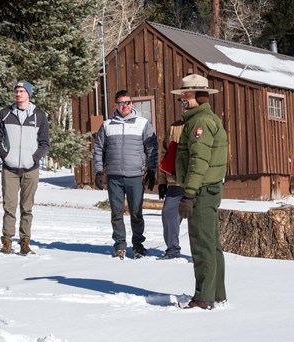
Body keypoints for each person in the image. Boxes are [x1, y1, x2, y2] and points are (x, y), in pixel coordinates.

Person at [172, 74, 228, 310]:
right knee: (211, 243)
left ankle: (204, 298)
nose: (182, 99)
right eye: (182, 95)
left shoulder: (200, 123)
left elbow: (198, 161)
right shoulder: (202, 119)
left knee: (202, 244)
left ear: (199, 96)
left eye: (187, 95)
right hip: (208, 188)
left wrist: (189, 194)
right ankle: (216, 294)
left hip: (202, 190)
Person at [93, 90, 158, 260]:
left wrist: (151, 170)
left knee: (136, 212)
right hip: (114, 175)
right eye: (121, 103)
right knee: (116, 213)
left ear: (132, 104)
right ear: (116, 105)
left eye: (128, 102)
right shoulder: (107, 125)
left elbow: (151, 148)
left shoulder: (143, 124)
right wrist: (99, 171)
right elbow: (99, 149)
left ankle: (138, 246)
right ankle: (120, 245)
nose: (125, 106)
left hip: (135, 175)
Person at [0, 80, 49, 255]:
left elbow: (45, 143)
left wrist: (35, 158)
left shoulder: (39, 116)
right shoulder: (5, 114)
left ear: (29, 94)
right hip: (10, 169)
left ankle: (25, 241)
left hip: (30, 170)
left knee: (27, 207)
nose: (18, 94)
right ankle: (7, 241)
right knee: (9, 206)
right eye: (16, 91)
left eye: (22, 91)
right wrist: (5, 156)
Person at [157, 118, 185, 260]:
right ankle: (173, 250)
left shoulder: (204, 123)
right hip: (175, 183)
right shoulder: (174, 127)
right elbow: (165, 154)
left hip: (199, 183)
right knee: (168, 214)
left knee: (199, 221)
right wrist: (162, 181)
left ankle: (203, 254)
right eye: (182, 103)